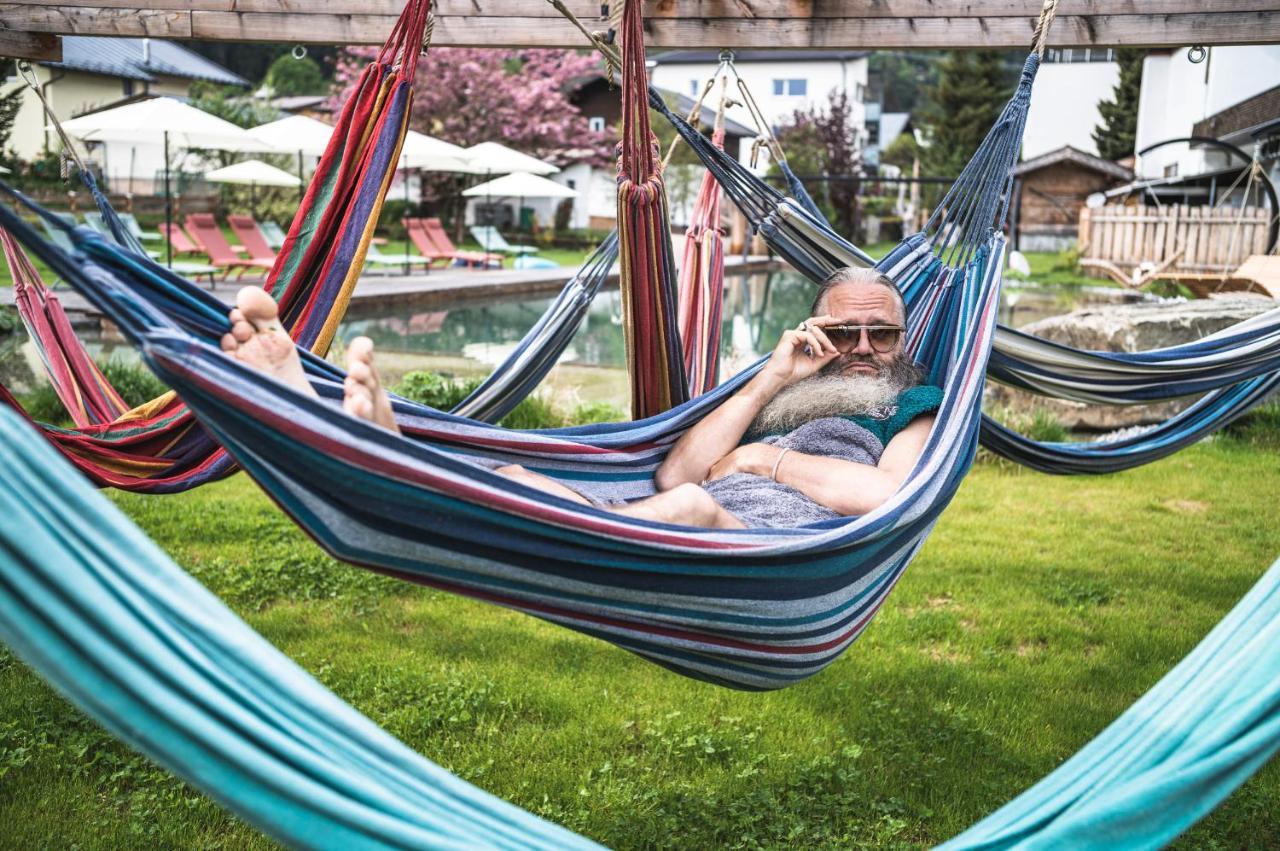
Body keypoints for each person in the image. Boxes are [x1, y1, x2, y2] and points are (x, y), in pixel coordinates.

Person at [220, 267, 941, 531]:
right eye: (844, 329)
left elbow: (888, 494)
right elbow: (675, 470)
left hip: (780, 548)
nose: (862, 348)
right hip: (669, 515)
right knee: (514, 477)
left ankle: (385, 458)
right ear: (817, 330)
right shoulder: (787, 384)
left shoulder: (911, 397)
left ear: (904, 338)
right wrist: (773, 375)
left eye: (881, 333)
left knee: (691, 507)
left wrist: (759, 462)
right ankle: (386, 451)